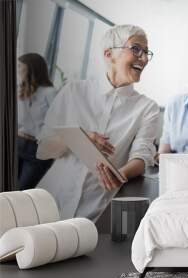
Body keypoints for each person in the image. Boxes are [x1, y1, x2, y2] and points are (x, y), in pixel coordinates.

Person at [36, 25, 159, 222]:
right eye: (136, 49)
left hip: (94, 212)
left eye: (146, 52)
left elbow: (142, 156)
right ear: (110, 54)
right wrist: (79, 138)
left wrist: (120, 174)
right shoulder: (74, 91)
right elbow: (43, 149)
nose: (144, 59)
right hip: (49, 202)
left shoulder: (147, 108)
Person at [17, 53, 56, 190]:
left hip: (37, 149)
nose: (18, 70)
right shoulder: (21, 90)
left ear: (31, 69)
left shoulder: (50, 92)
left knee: (21, 192)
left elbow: (56, 122)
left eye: (20, 66)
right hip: (18, 143)